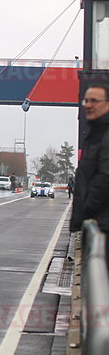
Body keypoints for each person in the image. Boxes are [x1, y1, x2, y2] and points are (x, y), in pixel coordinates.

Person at [71, 84, 109, 241]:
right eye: (86, 101)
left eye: (94, 100)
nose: (89, 105)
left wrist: (87, 207)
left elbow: (106, 176)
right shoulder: (96, 133)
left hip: (103, 224)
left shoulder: (104, 134)